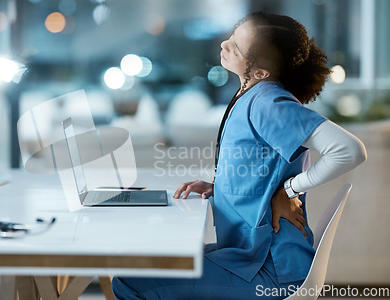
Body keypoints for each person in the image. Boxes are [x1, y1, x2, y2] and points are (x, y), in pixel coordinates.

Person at [112, 12, 367, 299]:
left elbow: (350, 150)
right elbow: (262, 169)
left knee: (128, 279)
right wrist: (222, 188)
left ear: (259, 72)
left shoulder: (269, 102)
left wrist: (290, 189)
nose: (224, 44)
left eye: (236, 46)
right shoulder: (253, 94)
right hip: (249, 259)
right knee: (144, 265)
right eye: (231, 36)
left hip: (269, 271)